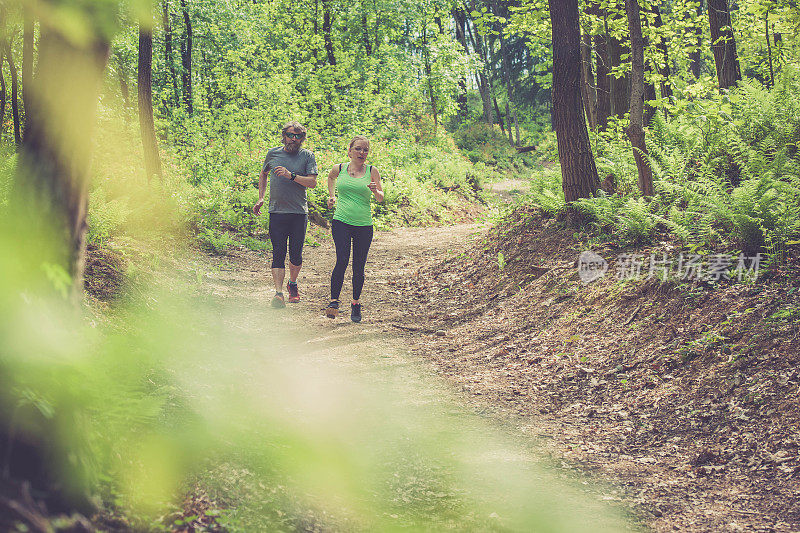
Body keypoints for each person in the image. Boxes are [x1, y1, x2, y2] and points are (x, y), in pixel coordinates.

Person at [253, 121, 318, 308]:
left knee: (296, 255)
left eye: (298, 136)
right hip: (276, 211)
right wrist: (261, 198)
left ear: (302, 139)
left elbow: (312, 183)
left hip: (298, 212)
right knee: (278, 253)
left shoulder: (307, 156)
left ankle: (293, 284)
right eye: (290, 135)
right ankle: (278, 293)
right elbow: (264, 173)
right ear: (284, 135)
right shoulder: (273, 153)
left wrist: (291, 176)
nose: (293, 139)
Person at [325, 135, 384, 322]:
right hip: (341, 221)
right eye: (358, 149)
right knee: (342, 259)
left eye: (365, 149)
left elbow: (381, 197)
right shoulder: (339, 168)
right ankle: (334, 302)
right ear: (350, 151)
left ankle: (356, 303)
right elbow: (330, 177)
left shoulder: (372, 171)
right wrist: (331, 196)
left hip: (364, 225)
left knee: (359, 266)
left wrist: (375, 191)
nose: (362, 152)